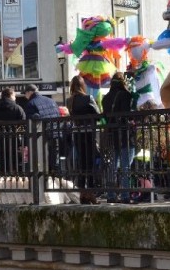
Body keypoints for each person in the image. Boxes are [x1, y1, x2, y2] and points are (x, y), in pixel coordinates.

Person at [102, 72, 136, 203]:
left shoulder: (105, 98)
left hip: (111, 135)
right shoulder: (126, 95)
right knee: (126, 166)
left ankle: (111, 195)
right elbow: (128, 115)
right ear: (123, 82)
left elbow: (105, 116)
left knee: (112, 167)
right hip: (125, 135)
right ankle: (125, 195)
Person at [67, 75, 101, 203]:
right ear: (83, 86)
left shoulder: (69, 101)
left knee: (81, 163)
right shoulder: (88, 98)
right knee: (90, 163)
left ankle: (82, 194)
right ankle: (91, 193)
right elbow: (97, 115)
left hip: (77, 133)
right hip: (88, 133)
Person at [23, 83, 66, 175]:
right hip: (55, 132)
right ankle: (56, 177)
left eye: (25, 93)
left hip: (42, 135)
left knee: (42, 158)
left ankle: (45, 178)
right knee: (55, 157)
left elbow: (30, 122)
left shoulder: (30, 103)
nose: (25, 96)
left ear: (30, 92)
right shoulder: (51, 100)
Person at [0, 88, 26, 175]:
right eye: (15, 96)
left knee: (2, 162)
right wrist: (23, 143)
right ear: (11, 95)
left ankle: (3, 180)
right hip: (14, 139)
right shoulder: (18, 108)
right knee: (13, 162)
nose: (15, 98)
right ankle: (13, 180)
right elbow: (24, 126)